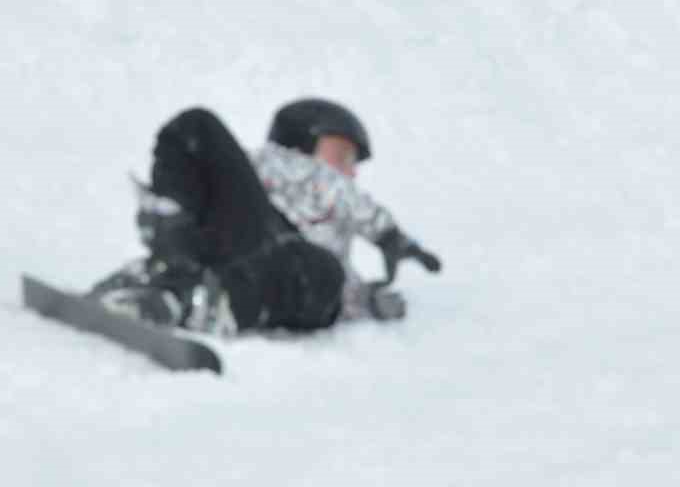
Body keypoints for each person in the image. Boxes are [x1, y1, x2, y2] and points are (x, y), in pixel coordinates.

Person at [88, 99, 442, 335]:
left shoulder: (324, 247)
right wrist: (388, 234)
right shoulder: (283, 170)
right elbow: (331, 187)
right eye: (342, 155)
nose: (350, 173)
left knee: (319, 271)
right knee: (196, 126)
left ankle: (187, 297)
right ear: (300, 143)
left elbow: (331, 290)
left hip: (284, 266)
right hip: (246, 239)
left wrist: (367, 300)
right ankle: (168, 273)